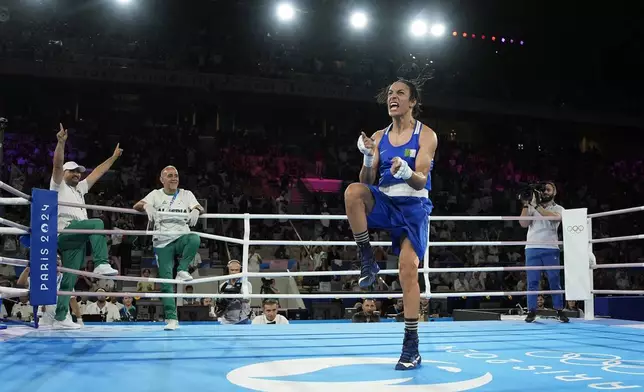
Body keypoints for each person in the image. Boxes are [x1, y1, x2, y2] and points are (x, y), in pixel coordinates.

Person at [344, 78, 437, 370]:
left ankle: (411, 346)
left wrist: (407, 171)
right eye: (389, 94)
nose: (392, 98)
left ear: (413, 102)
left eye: (400, 93)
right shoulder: (379, 135)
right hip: (385, 202)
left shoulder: (427, 135)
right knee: (353, 192)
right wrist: (369, 156)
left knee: (408, 270)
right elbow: (366, 182)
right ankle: (367, 257)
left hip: (413, 206)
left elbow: (421, 178)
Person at [51, 124, 120, 329]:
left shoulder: (80, 189)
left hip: (77, 237)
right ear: (64, 173)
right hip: (65, 231)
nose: (77, 174)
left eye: (79, 172)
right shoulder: (57, 185)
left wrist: (114, 157)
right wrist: (61, 143)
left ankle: (61, 317)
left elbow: (97, 172)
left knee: (70, 277)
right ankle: (101, 262)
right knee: (97, 222)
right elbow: (56, 165)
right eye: (72, 171)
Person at [133, 165, 203, 331]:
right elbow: (137, 205)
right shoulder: (156, 194)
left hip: (181, 237)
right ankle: (171, 319)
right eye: (170, 176)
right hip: (162, 241)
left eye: (176, 175)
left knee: (194, 238)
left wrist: (196, 210)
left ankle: (182, 269)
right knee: (166, 281)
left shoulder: (186, 194)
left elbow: (199, 206)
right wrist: (146, 206)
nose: (174, 178)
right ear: (162, 179)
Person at [519, 181, 569, 323]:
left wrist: (536, 206)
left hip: (551, 248)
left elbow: (552, 217)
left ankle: (559, 310)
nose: (545, 192)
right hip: (532, 248)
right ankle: (531, 311)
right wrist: (526, 204)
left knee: (554, 280)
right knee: (532, 281)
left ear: (554, 192)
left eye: (548, 189)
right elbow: (523, 224)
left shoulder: (559, 209)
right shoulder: (532, 207)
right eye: (543, 190)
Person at [16, 255, 84, 327]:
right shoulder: (40, 277)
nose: (57, 261)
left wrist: (79, 319)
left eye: (59, 259)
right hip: (44, 322)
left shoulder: (65, 279)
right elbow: (21, 283)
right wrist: (28, 268)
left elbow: (72, 301)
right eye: (54, 259)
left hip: (63, 321)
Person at [215, 260, 252, 325]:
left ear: (240, 270)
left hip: (242, 319)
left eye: (236, 270)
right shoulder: (223, 285)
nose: (234, 272)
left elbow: (247, 299)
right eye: (232, 270)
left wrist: (236, 294)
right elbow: (217, 302)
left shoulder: (246, 284)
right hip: (226, 320)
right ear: (228, 270)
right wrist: (223, 300)